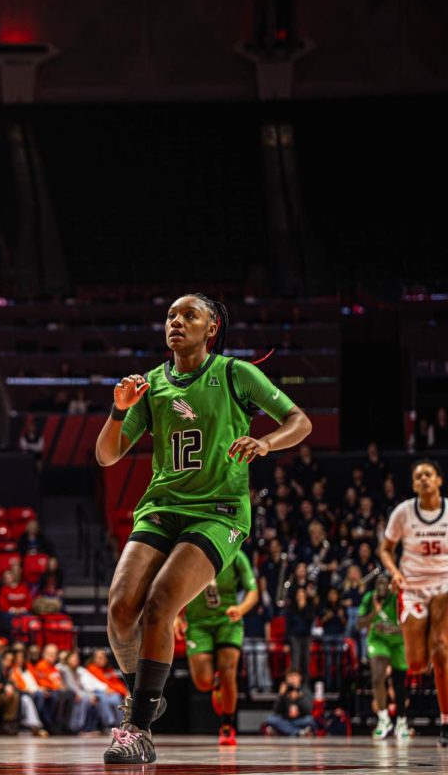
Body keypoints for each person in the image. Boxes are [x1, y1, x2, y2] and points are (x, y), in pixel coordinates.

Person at [95, 293, 311, 764]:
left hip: (218, 511)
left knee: (160, 604)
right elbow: (106, 455)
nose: (176, 321)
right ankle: (143, 695)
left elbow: (300, 421)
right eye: (171, 315)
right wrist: (117, 410)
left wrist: (266, 442)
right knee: (118, 607)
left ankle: (139, 728)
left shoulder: (236, 374)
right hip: (161, 507)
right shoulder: (151, 383)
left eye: (189, 315)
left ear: (211, 327)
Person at [379, 459, 448, 747]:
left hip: (444, 585)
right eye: (418, 476)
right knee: (417, 663)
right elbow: (385, 549)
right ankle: (430, 641)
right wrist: (395, 573)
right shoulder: (404, 512)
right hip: (413, 588)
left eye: (428, 474)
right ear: (413, 484)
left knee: (442, 650)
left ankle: (446, 722)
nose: (423, 479)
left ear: (439, 480)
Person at [175, 546, 259, 745]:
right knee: (202, 682)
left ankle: (227, 725)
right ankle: (216, 684)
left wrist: (241, 608)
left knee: (229, 671)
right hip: (198, 623)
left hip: (227, 620)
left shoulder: (236, 555)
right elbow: (173, 587)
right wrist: (175, 616)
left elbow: (253, 591)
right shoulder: (188, 553)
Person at [357, 571, 409, 740]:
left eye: (383, 583)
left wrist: (392, 629)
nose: (380, 586)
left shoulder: (398, 598)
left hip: (398, 642)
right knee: (377, 678)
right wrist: (375, 613)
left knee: (399, 682)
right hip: (378, 641)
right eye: (377, 583)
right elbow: (359, 624)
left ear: (389, 585)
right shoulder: (369, 598)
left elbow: (410, 625)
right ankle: (383, 718)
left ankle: (401, 720)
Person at [263, 669, 317, 737]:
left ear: (300, 678)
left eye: (294, 676)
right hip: (286, 719)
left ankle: (286, 730)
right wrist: (281, 695)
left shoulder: (305, 690)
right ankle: (298, 732)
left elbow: (309, 709)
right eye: (290, 677)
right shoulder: (284, 691)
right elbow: (276, 710)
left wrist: (299, 698)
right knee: (271, 719)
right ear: (286, 679)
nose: (292, 679)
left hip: (300, 719)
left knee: (309, 720)